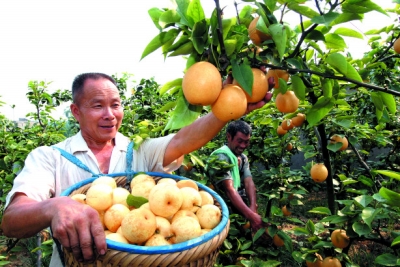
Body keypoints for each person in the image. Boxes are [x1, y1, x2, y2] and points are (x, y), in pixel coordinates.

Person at [1, 72, 272, 266]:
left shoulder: (138, 150)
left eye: (115, 105)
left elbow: (181, 140)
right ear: (75, 111)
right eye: (97, 106)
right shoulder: (50, 158)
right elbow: (11, 220)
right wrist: (53, 207)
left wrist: (226, 110)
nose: (109, 114)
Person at [207, 120, 264, 234]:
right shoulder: (221, 156)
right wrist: (251, 216)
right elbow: (229, 189)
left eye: (246, 142)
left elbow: (249, 182)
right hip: (218, 206)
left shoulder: (242, 158)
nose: (243, 146)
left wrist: (252, 208)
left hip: (236, 203)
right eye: (240, 141)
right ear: (229, 137)